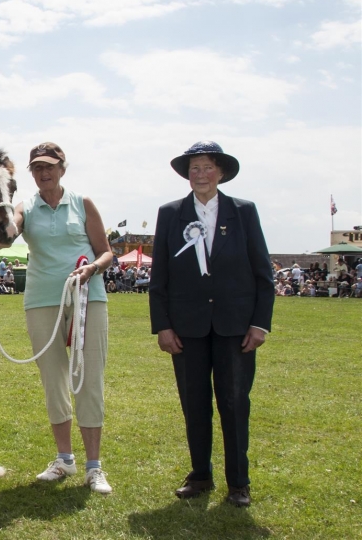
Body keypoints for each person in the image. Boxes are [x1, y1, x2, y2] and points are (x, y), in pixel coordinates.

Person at [149, 141, 274, 508]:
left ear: (220, 172)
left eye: (206, 168)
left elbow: (262, 273)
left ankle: (239, 482)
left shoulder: (243, 212)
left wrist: (260, 324)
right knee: (194, 403)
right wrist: (163, 326)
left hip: (236, 327)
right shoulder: (171, 213)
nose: (200, 174)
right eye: (194, 168)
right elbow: (160, 277)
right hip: (187, 327)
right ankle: (200, 474)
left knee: (235, 403)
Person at [0, 142, 114, 494]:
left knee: (89, 378)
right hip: (42, 301)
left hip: (88, 298)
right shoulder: (26, 208)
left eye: (50, 166)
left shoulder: (82, 203)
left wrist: (93, 267)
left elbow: (106, 251)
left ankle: (94, 467)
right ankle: (64, 459)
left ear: (62, 168)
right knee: (53, 380)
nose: (44, 173)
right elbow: (8, 232)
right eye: (37, 168)